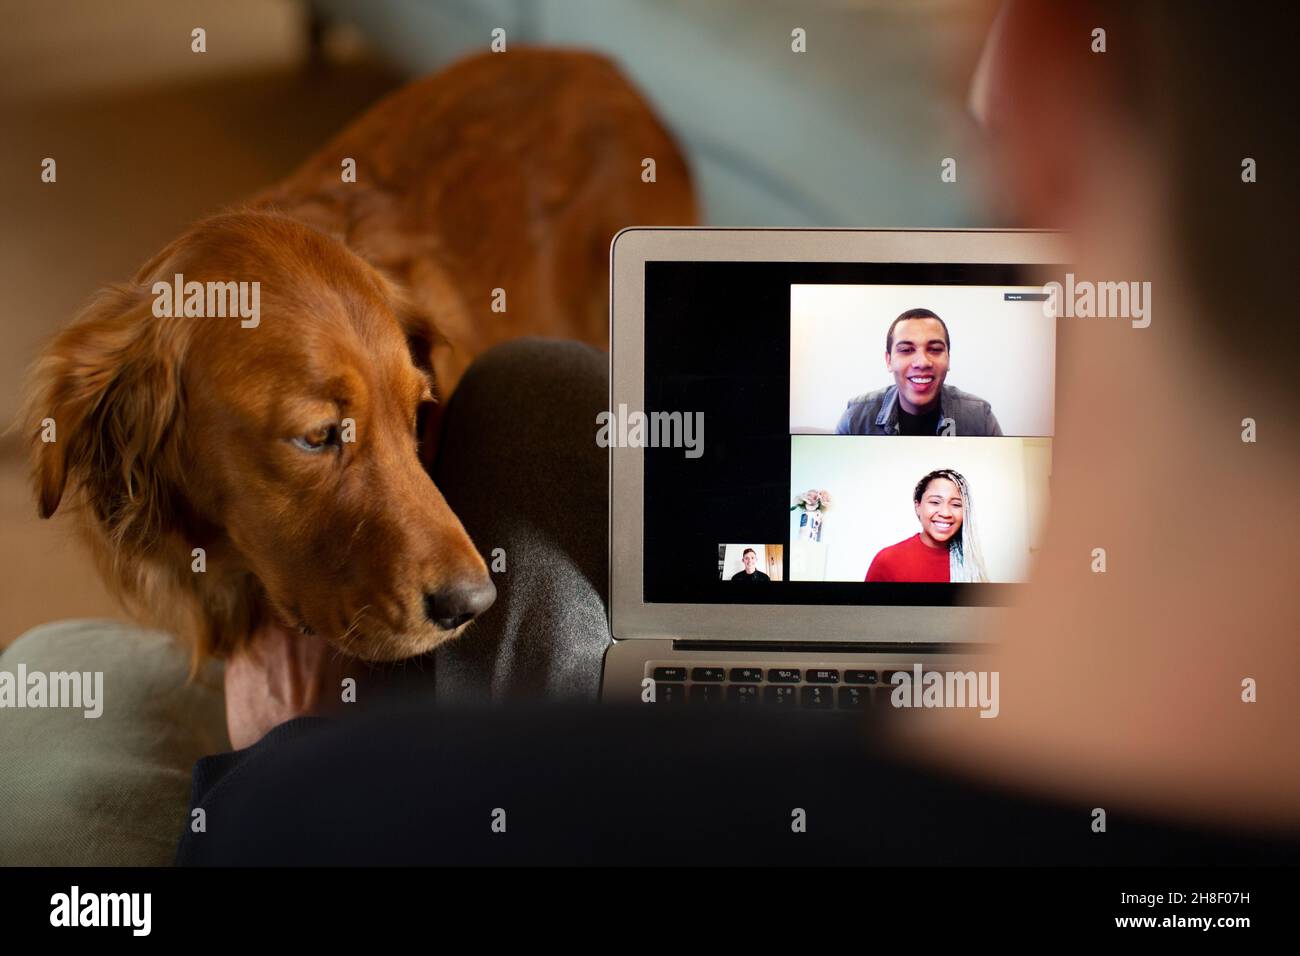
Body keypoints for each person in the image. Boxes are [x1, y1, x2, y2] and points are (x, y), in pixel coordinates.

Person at [835, 309, 1002, 436]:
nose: (922, 362)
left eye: (935, 349)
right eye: (906, 350)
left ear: (948, 359)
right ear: (889, 360)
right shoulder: (855, 419)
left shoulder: (980, 418)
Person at [865, 469, 988, 583]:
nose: (945, 513)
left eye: (956, 505)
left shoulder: (971, 562)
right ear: (918, 506)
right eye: (935, 502)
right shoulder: (887, 560)